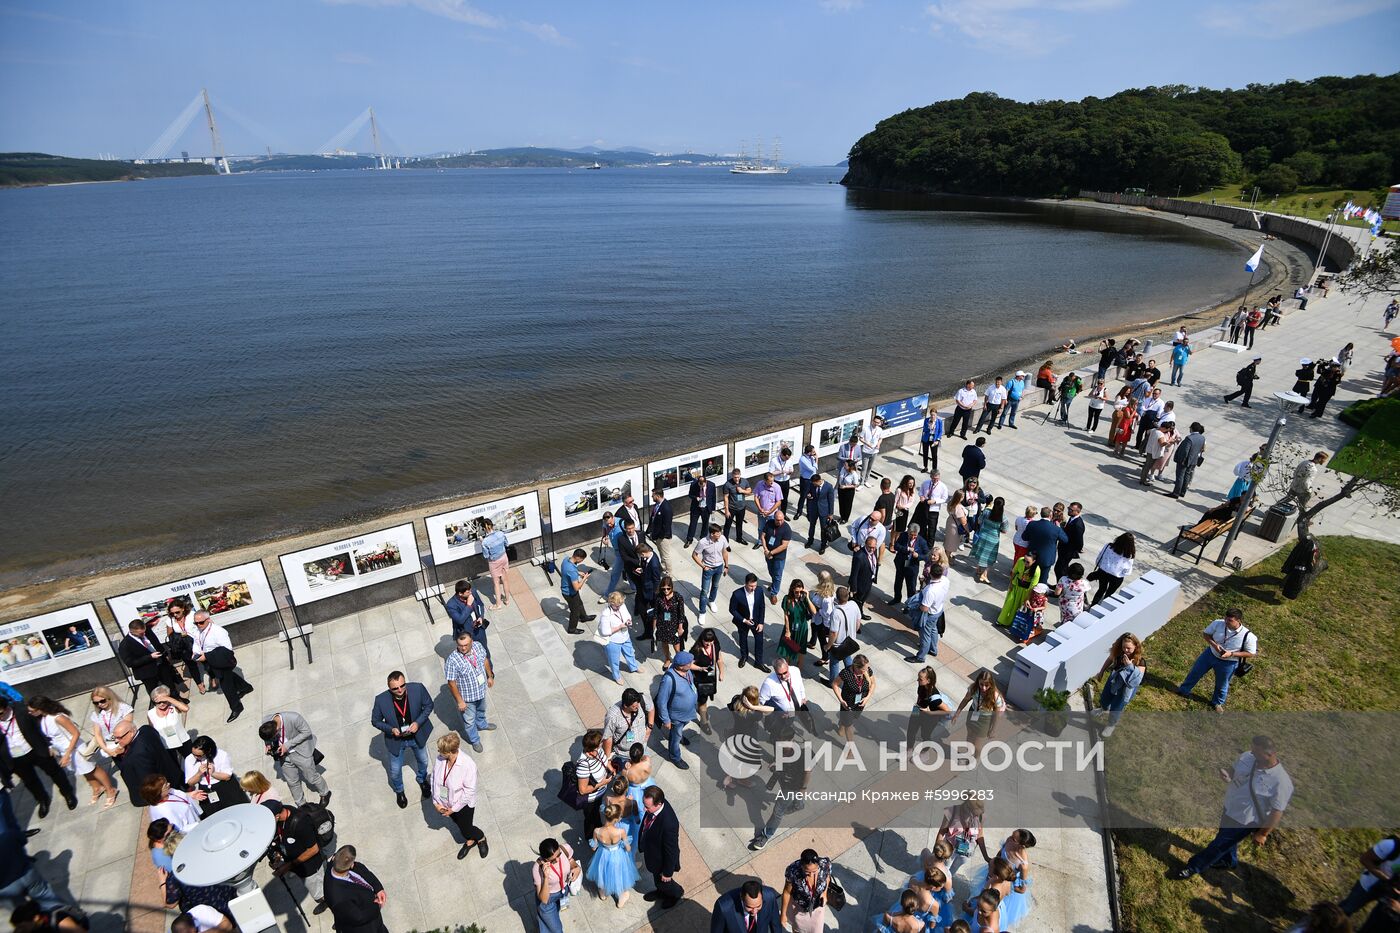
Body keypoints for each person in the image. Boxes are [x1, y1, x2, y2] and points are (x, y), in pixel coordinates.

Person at [1170, 735, 1293, 879]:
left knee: (1219, 844)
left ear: (1269, 755)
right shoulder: (1248, 756)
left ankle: (1193, 867)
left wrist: (1262, 834)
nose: (1251, 753)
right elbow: (1234, 770)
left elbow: (1276, 812)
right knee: (1225, 839)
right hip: (1230, 807)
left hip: (1245, 821)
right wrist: (1228, 774)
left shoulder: (1281, 782)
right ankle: (1229, 861)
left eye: (1256, 752)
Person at [26, 695, 113, 809]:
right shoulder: (42, 719)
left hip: (75, 749)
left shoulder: (58, 717)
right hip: (64, 751)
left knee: (93, 770)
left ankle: (110, 790)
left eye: (32, 711)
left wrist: (67, 754)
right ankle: (97, 788)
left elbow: (75, 733)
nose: (30, 713)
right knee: (83, 771)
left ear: (41, 708)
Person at [0, 695, 76, 817]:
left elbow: (40, 725)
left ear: (6, 707)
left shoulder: (22, 711)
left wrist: (48, 744)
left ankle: (67, 793)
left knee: (54, 771)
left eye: (1, 713)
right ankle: (43, 799)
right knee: (30, 781)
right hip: (15, 757)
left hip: (36, 749)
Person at [370, 671, 433, 808]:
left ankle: (422, 780)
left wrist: (418, 723)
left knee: (423, 761)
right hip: (396, 740)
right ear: (389, 688)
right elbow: (375, 721)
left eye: (402, 685)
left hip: (417, 736)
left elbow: (429, 705)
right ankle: (399, 791)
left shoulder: (417, 689)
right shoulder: (381, 700)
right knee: (395, 770)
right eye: (395, 688)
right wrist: (390, 729)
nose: (400, 690)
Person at [1177, 608, 1258, 712]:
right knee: (1195, 672)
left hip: (1229, 663)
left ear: (1238, 621)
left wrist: (1231, 654)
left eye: (1230, 620)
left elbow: (1251, 653)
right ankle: (1183, 690)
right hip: (1210, 654)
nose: (1226, 622)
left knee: (1222, 684)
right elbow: (1206, 634)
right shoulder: (1218, 623)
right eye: (1226, 618)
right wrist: (1214, 645)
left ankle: (1217, 703)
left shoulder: (1248, 636)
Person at [430, 731, 488, 860]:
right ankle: (470, 841)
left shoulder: (468, 765)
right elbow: (434, 779)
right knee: (459, 824)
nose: (438, 752)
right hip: (446, 803)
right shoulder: (440, 759)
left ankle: (480, 837)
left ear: (449, 752)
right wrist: (436, 802)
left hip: (462, 805)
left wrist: (454, 809)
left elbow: (469, 791)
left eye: (441, 750)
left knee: (466, 829)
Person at [190, 611, 252, 723]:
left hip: (221, 661)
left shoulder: (219, 632)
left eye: (201, 622)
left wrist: (207, 656)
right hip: (209, 660)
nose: (198, 625)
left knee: (226, 686)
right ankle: (245, 687)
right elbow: (197, 642)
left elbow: (227, 650)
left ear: (208, 620)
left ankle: (236, 707)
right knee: (229, 677)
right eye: (196, 623)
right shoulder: (198, 631)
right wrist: (196, 653)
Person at [258, 710, 329, 807]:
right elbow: (267, 739)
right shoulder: (266, 721)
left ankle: (325, 793)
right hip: (284, 757)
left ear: (277, 729)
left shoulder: (294, 718)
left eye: (273, 737)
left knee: (312, 778)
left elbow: (307, 732)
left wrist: (287, 745)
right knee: (292, 782)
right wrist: (268, 745)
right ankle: (301, 804)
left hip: (301, 753)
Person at [264, 797, 327, 907]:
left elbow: (313, 849)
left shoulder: (300, 823)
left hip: (310, 868)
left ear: (277, 816)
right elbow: (280, 839)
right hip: (297, 865)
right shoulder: (280, 818)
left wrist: (289, 865)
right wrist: (278, 857)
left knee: (318, 887)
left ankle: (325, 901)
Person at [107, 718, 182, 807]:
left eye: (119, 737)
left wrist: (118, 756)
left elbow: (145, 779)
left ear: (131, 732)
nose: (116, 741)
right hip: (173, 772)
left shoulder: (136, 755)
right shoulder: (146, 729)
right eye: (115, 737)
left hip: (165, 787)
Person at [444, 631, 495, 752]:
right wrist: (460, 701)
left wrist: (490, 676)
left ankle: (482, 724)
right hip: (467, 697)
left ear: (471, 641)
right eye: (460, 645)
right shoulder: (452, 660)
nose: (463, 648)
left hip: (480, 690)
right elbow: (451, 683)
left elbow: (485, 660)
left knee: (482, 709)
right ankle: (475, 740)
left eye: (466, 644)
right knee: (469, 721)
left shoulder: (477, 646)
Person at [323, 845, 390, 933]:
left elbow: (362, 869)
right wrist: (377, 906)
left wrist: (378, 888)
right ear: (351, 864)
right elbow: (358, 918)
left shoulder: (338, 863)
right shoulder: (338, 898)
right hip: (365, 928)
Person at [584, 801, 639, 909]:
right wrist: (625, 846)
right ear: (616, 819)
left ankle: (603, 893)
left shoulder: (597, 831)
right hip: (617, 856)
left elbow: (594, 847)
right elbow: (628, 848)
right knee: (619, 874)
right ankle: (622, 896)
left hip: (603, 854)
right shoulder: (620, 831)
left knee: (603, 872)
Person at [117, 619, 187, 700]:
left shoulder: (147, 631)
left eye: (144, 631)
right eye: (141, 633)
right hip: (146, 672)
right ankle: (160, 706)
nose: (144, 634)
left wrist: (165, 654)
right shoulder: (125, 645)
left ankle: (177, 700)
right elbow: (130, 662)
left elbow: (156, 643)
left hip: (161, 664)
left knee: (170, 684)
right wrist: (150, 657)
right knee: (153, 691)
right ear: (132, 632)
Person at [86, 686, 131, 807]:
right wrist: (106, 749)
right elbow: (97, 734)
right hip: (111, 747)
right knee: (125, 770)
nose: (99, 704)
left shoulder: (123, 708)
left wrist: (122, 745)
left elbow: (128, 726)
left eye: (102, 701)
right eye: (96, 702)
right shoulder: (97, 715)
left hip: (128, 744)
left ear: (109, 697)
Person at [639, 786, 683, 909]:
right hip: (653, 852)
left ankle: (675, 893)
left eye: (647, 807)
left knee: (664, 882)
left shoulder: (669, 824)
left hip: (661, 860)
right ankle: (660, 891)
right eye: (644, 804)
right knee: (657, 879)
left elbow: (671, 851)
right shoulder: (656, 806)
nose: (644, 808)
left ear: (658, 804)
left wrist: (667, 873)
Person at [1337, 833, 1400, 916]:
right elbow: (1365, 859)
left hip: (1389, 895)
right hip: (1368, 886)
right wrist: (1387, 880)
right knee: (1345, 910)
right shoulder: (1390, 845)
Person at [655, 652, 698, 769]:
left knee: (677, 732)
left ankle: (678, 735)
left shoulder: (687, 671)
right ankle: (675, 757)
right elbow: (661, 702)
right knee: (675, 737)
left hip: (688, 713)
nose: (691, 663)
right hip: (676, 717)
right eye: (689, 663)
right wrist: (666, 720)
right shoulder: (668, 679)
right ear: (680, 666)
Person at [1097, 633, 1145, 732]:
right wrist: (1101, 672)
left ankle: (1111, 725)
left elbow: (1137, 679)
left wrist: (1129, 666)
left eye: (1128, 648)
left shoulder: (1140, 661)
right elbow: (1110, 659)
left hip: (1126, 687)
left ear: (1135, 647)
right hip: (1114, 680)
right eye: (1124, 647)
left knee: (1117, 706)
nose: (1125, 650)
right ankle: (1103, 708)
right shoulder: (1119, 653)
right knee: (1105, 697)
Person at [937, 793, 993, 878]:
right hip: (949, 849)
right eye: (975, 815)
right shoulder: (951, 812)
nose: (976, 817)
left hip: (965, 851)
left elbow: (980, 835)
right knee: (944, 869)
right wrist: (937, 850)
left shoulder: (980, 816)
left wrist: (986, 857)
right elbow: (942, 832)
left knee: (952, 872)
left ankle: (945, 885)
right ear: (967, 808)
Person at [534, 837, 580, 933]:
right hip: (548, 899)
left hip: (563, 892)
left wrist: (576, 867)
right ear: (545, 859)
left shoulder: (565, 849)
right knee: (557, 930)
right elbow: (543, 899)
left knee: (548, 925)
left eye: (559, 855)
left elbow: (571, 861)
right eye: (553, 860)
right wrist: (546, 877)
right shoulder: (537, 868)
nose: (558, 859)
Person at [905, 667, 953, 759]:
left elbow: (947, 711)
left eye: (920, 679)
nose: (917, 680)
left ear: (928, 680)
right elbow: (920, 696)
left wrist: (930, 713)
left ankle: (924, 753)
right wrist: (917, 705)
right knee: (911, 731)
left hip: (930, 717)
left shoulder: (935, 698)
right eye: (918, 677)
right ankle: (909, 750)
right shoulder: (921, 685)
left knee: (925, 735)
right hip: (918, 710)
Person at [782, 848, 832, 933]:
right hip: (799, 909)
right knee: (798, 930)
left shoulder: (825, 864)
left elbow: (827, 877)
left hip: (817, 908)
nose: (811, 875)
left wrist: (824, 892)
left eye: (814, 871)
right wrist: (783, 915)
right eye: (807, 872)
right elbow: (787, 892)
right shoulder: (793, 871)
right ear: (801, 866)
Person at [907, 564, 950, 662]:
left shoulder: (931, 590)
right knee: (933, 630)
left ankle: (920, 657)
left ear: (931, 575)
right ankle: (933, 650)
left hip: (930, 614)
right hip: (939, 610)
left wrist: (916, 605)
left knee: (925, 636)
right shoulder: (945, 580)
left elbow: (924, 608)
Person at [956, 670, 1005, 756]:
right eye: (981, 684)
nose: (984, 688)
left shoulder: (995, 696)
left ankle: (975, 759)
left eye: (987, 685)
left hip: (985, 720)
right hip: (973, 713)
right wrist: (957, 713)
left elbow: (996, 714)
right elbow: (965, 700)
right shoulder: (973, 689)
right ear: (978, 681)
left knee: (977, 746)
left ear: (991, 684)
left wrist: (993, 729)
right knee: (969, 737)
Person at [597, 592, 640, 686]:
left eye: (620, 604)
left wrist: (629, 621)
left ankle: (634, 667)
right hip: (613, 641)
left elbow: (627, 615)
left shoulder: (622, 605)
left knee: (630, 652)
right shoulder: (606, 614)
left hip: (625, 636)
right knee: (614, 660)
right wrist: (620, 627)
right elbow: (605, 631)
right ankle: (616, 676)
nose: (619, 607)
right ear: (611, 603)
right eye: (617, 605)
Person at [711, 879, 783, 933]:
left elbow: (776, 925)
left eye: (758, 906)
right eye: (749, 907)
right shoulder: (724, 907)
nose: (754, 911)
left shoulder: (770, 897)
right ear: (741, 897)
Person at [729, 573, 769, 671]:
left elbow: (762, 607)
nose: (753, 588)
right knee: (743, 639)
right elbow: (732, 609)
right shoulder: (737, 594)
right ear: (746, 584)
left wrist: (761, 623)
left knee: (759, 641)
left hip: (756, 621)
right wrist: (744, 620)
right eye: (751, 586)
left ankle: (759, 662)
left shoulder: (759, 590)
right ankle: (744, 657)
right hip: (743, 622)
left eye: (755, 585)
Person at [601, 688, 652, 762]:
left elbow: (651, 708)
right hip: (624, 755)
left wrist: (649, 727)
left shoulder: (641, 700)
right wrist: (608, 759)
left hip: (642, 748)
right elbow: (608, 737)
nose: (638, 707)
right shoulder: (613, 716)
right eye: (634, 706)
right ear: (625, 705)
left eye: (638, 704)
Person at [692, 524, 730, 623]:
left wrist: (726, 566)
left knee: (715, 586)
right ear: (712, 534)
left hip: (719, 567)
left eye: (720, 532)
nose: (720, 534)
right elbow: (694, 555)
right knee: (704, 591)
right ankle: (702, 612)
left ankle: (712, 601)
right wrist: (703, 566)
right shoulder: (703, 542)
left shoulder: (722, 538)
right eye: (718, 533)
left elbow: (725, 552)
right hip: (708, 569)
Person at [833, 654, 874, 744]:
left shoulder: (867, 670)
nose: (866, 670)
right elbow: (835, 684)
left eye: (867, 668)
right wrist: (841, 700)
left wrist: (867, 697)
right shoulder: (846, 673)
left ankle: (842, 723)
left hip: (861, 702)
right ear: (856, 667)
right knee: (849, 725)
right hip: (847, 703)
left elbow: (873, 684)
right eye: (864, 669)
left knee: (853, 719)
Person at [689, 628, 723, 734]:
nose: (708, 644)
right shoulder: (696, 650)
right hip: (701, 680)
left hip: (711, 678)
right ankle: (704, 723)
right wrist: (700, 668)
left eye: (710, 641)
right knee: (702, 701)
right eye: (706, 641)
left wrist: (722, 672)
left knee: (705, 698)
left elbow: (719, 659)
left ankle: (701, 709)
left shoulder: (715, 646)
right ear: (702, 640)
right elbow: (689, 664)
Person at [968, 498, 1009, 585]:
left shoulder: (987, 512)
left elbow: (979, 521)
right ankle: (984, 574)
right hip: (993, 539)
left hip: (983, 535)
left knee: (981, 553)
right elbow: (1004, 531)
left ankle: (978, 569)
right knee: (990, 558)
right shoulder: (1003, 518)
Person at [825, 585, 861, 684]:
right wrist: (852, 633)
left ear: (837, 597)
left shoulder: (836, 612)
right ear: (848, 595)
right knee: (847, 657)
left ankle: (833, 683)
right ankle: (853, 678)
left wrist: (828, 646)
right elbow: (858, 622)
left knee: (834, 663)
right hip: (850, 641)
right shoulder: (854, 604)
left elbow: (833, 633)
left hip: (838, 644)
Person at [444, 580, 489, 656]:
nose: (470, 593)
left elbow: (480, 605)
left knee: (484, 652)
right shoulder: (451, 605)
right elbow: (460, 620)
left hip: (479, 629)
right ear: (460, 593)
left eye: (470, 590)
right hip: (465, 634)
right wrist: (468, 605)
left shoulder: (472, 592)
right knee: (470, 655)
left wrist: (481, 617)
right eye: (468, 592)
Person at [777, 580, 815, 668]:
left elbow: (814, 612)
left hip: (801, 628)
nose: (798, 594)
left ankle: (799, 668)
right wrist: (787, 630)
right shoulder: (787, 599)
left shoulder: (804, 599)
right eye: (796, 592)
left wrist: (808, 597)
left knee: (800, 649)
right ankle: (787, 667)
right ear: (792, 590)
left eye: (800, 591)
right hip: (790, 626)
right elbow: (786, 615)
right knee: (788, 647)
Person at [889, 523, 930, 604]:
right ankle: (897, 598)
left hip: (912, 566)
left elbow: (927, 555)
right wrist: (907, 549)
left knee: (911, 586)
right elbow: (896, 546)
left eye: (915, 536)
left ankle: (909, 604)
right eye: (911, 535)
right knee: (898, 582)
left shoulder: (922, 541)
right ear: (908, 532)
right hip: (901, 563)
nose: (913, 537)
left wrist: (918, 556)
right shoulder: (903, 535)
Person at [652, 575, 689, 665]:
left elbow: (681, 614)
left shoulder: (678, 597)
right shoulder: (658, 597)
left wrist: (680, 627)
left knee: (676, 646)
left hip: (674, 625)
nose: (666, 591)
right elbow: (656, 613)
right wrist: (653, 628)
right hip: (662, 624)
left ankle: (679, 661)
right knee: (664, 644)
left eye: (668, 588)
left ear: (672, 587)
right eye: (663, 589)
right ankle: (667, 659)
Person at [997, 552, 1041, 627]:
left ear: (1034, 561)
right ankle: (1002, 620)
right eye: (1025, 560)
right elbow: (1013, 572)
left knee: (1018, 607)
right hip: (1016, 585)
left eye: (1028, 562)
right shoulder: (1020, 560)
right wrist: (1010, 584)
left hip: (1025, 591)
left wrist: (1027, 598)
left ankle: (1013, 623)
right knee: (1009, 603)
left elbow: (1033, 586)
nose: (1025, 563)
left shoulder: (1037, 571)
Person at [477, 518, 512, 609]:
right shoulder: (501, 533)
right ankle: (507, 600)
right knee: (505, 580)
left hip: (494, 562)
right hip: (504, 558)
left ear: (484, 529)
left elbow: (486, 555)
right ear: (492, 525)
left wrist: (482, 542)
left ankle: (498, 604)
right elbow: (506, 544)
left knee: (496, 583)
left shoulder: (485, 542)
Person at [759, 510, 793, 604]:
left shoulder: (787, 529)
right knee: (771, 571)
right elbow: (763, 536)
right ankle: (774, 584)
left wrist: (771, 553)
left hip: (779, 557)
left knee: (777, 575)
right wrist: (765, 549)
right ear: (774, 518)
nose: (780, 522)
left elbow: (784, 545)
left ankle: (774, 593)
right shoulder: (769, 523)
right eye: (778, 520)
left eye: (782, 520)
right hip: (768, 553)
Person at [560, 548, 594, 635]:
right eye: (582, 559)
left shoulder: (566, 559)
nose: (581, 561)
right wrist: (584, 578)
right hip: (569, 593)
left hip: (569, 590)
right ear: (578, 558)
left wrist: (578, 572)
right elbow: (577, 588)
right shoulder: (571, 571)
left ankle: (584, 617)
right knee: (575, 612)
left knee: (579, 603)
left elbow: (569, 571)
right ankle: (571, 629)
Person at [847, 534, 880, 622]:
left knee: (862, 601)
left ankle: (860, 613)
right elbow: (854, 573)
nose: (872, 549)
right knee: (857, 603)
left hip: (869, 581)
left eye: (874, 547)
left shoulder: (874, 551)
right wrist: (853, 588)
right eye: (870, 547)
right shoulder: (859, 556)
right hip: (860, 585)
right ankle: (855, 620)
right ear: (865, 544)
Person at [1170, 422, 1207, 499]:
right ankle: (1183, 492)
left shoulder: (1189, 438)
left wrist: (1181, 460)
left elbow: (1185, 451)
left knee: (1180, 476)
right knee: (1187, 476)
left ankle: (1176, 493)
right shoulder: (1202, 438)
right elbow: (1201, 449)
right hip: (1193, 460)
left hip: (1185, 461)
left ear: (1192, 429)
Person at [802, 473, 836, 553]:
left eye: (815, 484)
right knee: (811, 526)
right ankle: (810, 540)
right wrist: (808, 495)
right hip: (813, 509)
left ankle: (823, 545)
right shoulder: (811, 484)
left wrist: (831, 513)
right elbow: (807, 493)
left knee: (823, 529)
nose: (814, 485)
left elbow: (831, 501)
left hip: (824, 511)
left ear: (819, 481)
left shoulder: (828, 487)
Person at [684, 469, 718, 547]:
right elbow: (690, 494)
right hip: (696, 507)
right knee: (693, 523)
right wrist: (695, 498)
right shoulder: (694, 485)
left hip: (706, 507)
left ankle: (703, 538)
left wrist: (713, 509)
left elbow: (713, 497)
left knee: (705, 523)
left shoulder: (712, 485)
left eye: (702, 485)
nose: (701, 486)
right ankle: (689, 539)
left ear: (705, 482)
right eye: (700, 485)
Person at [721, 467, 754, 545]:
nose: (736, 479)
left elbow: (749, 491)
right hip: (731, 508)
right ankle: (726, 542)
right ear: (732, 476)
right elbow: (725, 497)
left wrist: (742, 491)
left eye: (738, 477)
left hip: (741, 508)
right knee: (727, 525)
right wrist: (726, 510)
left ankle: (739, 538)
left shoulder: (744, 481)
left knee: (739, 524)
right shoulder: (727, 484)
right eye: (735, 477)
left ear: (740, 475)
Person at [647, 487, 675, 576]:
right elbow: (653, 519)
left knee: (665, 556)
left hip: (663, 537)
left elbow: (666, 525)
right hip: (657, 535)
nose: (652, 497)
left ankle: (669, 573)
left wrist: (661, 536)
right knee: (661, 553)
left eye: (653, 496)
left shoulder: (666, 508)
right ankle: (663, 567)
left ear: (658, 496)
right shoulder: (657, 505)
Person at [858, 415, 885, 485]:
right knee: (864, 468)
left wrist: (878, 444)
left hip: (874, 451)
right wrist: (867, 444)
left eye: (878, 423)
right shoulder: (866, 429)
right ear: (872, 421)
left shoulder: (879, 430)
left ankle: (866, 480)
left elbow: (880, 438)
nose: (876, 424)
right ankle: (861, 482)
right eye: (875, 422)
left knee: (870, 467)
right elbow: (860, 438)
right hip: (866, 451)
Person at [795, 444, 819, 519]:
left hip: (813, 479)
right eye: (813, 451)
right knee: (803, 496)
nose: (815, 453)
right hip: (806, 480)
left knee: (811, 497)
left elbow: (815, 469)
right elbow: (812, 469)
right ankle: (799, 511)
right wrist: (816, 460)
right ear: (809, 452)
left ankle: (809, 513)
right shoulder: (803, 459)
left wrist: (815, 459)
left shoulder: (811, 458)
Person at [943, 490, 969, 557]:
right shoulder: (958, 507)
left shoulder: (950, 503)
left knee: (948, 542)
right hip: (955, 526)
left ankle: (947, 556)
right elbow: (963, 522)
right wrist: (967, 530)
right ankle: (946, 559)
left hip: (950, 522)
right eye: (962, 496)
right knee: (951, 544)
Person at [920, 407, 944, 471]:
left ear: (936, 414)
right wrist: (929, 426)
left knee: (934, 455)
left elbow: (940, 431)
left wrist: (938, 439)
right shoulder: (927, 420)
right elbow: (924, 430)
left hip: (934, 439)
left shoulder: (939, 421)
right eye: (931, 415)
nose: (932, 416)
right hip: (926, 438)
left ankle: (934, 469)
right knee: (925, 453)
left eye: (934, 415)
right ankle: (925, 467)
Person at [836, 459, 860, 523]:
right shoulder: (843, 469)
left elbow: (856, 485)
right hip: (841, 488)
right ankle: (841, 516)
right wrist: (838, 485)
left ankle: (845, 518)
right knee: (841, 503)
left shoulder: (854, 474)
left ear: (850, 467)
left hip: (848, 491)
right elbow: (840, 476)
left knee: (847, 505)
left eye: (846, 465)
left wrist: (846, 486)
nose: (844, 465)